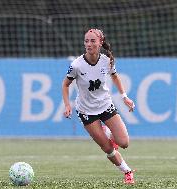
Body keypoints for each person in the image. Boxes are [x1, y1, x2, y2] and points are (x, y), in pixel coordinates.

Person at [62, 28, 136, 184]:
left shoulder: (106, 61)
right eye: (86, 41)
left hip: (105, 105)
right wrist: (67, 105)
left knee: (124, 143)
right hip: (86, 111)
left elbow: (115, 77)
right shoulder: (76, 65)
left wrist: (124, 97)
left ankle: (107, 131)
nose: (89, 44)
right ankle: (127, 171)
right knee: (108, 148)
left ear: (100, 43)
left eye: (92, 41)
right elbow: (65, 84)